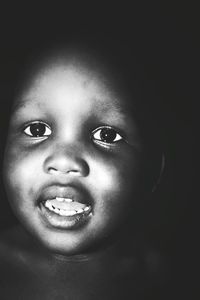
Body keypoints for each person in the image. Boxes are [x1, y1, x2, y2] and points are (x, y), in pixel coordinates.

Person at [0, 39, 169, 299]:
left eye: (107, 135)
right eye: (37, 130)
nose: (65, 161)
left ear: (153, 171)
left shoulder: (164, 277)